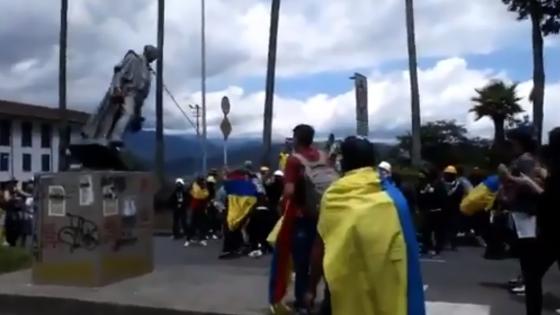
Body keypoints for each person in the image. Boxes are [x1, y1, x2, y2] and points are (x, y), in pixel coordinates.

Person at [306, 136, 425, 315]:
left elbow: (320, 245)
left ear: (343, 161)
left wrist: (311, 287)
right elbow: (409, 252)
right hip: (385, 290)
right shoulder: (393, 197)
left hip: (342, 290)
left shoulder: (334, 195)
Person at [269, 124, 337, 314]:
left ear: (297, 139)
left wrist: (282, 204)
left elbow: (289, 191)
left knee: (302, 261)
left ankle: (302, 302)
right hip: (327, 214)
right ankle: (328, 299)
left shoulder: (294, 160)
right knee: (326, 259)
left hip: (303, 216)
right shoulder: (324, 156)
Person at [514, 127, 560, 315]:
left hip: (552, 231)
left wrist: (529, 183)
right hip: (552, 230)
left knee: (532, 276)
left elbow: (550, 199)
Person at [498, 126, 541, 297]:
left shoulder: (525, 160)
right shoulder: (523, 158)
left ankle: (528, 281)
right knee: (523, 247)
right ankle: (524, 278)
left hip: (526, 209)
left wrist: (507, 176)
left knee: (527, 248)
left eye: (513, 141)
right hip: (520, 208)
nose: (511, 145)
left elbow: (529, 183)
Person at [417, 166, 447, 256]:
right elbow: (420, 196)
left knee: (438, 231)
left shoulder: (439, 184)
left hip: (438, 211)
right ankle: (427, 246)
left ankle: (437, 248)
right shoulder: (425, 184)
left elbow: (443, 198)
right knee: (425, 230)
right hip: (428, 211)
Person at [442, 165, 465, 250]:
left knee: (454, 227)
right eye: (447, 174)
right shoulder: (441, 184)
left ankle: (453, 243)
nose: (448, 176)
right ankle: (443, 242)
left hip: (454, 209)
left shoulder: (458, 185)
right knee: (443, 227)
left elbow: (460, 195)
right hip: (443, 209)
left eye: (450, 174)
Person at [185, 176, 209, 247]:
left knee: (200, 224)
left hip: (200, 208)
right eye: (202, 181)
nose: (203, 183)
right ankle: (189, 239)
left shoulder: (203, 188)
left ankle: (201, 239)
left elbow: (205, 195)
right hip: (196, 208)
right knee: (194, 224)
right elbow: (197, 195)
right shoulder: (195, 187)